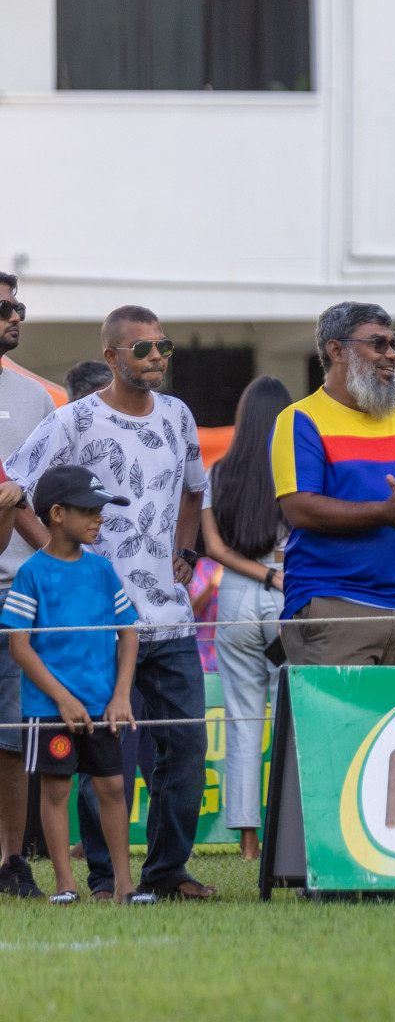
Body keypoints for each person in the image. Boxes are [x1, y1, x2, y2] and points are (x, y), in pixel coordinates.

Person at [5, 304, 217, 901]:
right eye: (143, 349)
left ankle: (168, 871)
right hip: (96, 625)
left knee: (185, 748)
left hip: (170, 618)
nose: (156, 358)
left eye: (163, 347)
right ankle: (103, 878)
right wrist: (56, 561)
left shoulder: (179, 416)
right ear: (112, 357)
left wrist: (186, 550)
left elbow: (194, 490)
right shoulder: (73, 421)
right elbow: (16, 487)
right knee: (104, 762)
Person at [0, 466, 156, 904]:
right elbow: (19, 646)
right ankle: (65, 885)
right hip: (50, 710)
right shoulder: (32, 574)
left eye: (100, 510)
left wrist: (122, 694)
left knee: (111, 787)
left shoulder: (103, 571)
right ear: (56, 513)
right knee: (56, 790)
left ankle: (125, 885)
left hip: (103, 704)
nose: (99, 519)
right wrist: (63, 699)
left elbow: (128, 633)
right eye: (89, 510)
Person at [272, 303, 395, 667]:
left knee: (394, 725)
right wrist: (387, 511)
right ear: (336, 351)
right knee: (335, 726)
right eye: (378, 344)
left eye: (393, 345)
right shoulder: (301, 418)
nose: (391, 356)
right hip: (333, 606)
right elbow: (300, 509)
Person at [201, 376, 292, 859]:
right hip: (286, 591)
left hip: (235, 596)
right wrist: (275, 575)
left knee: (242, 717)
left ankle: (248, 840)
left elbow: (213, 548)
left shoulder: (219, 471)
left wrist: (255, 573)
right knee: (289, 716)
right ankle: (286, 829)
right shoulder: (296, 468)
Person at [0, 272, 55, 898]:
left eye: (19, 307)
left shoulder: (38, 398)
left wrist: (59, 568)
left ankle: (11, 862)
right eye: (3, 307)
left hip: (18, 588)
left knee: (11, 737)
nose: (15, 316)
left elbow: (39, 500)